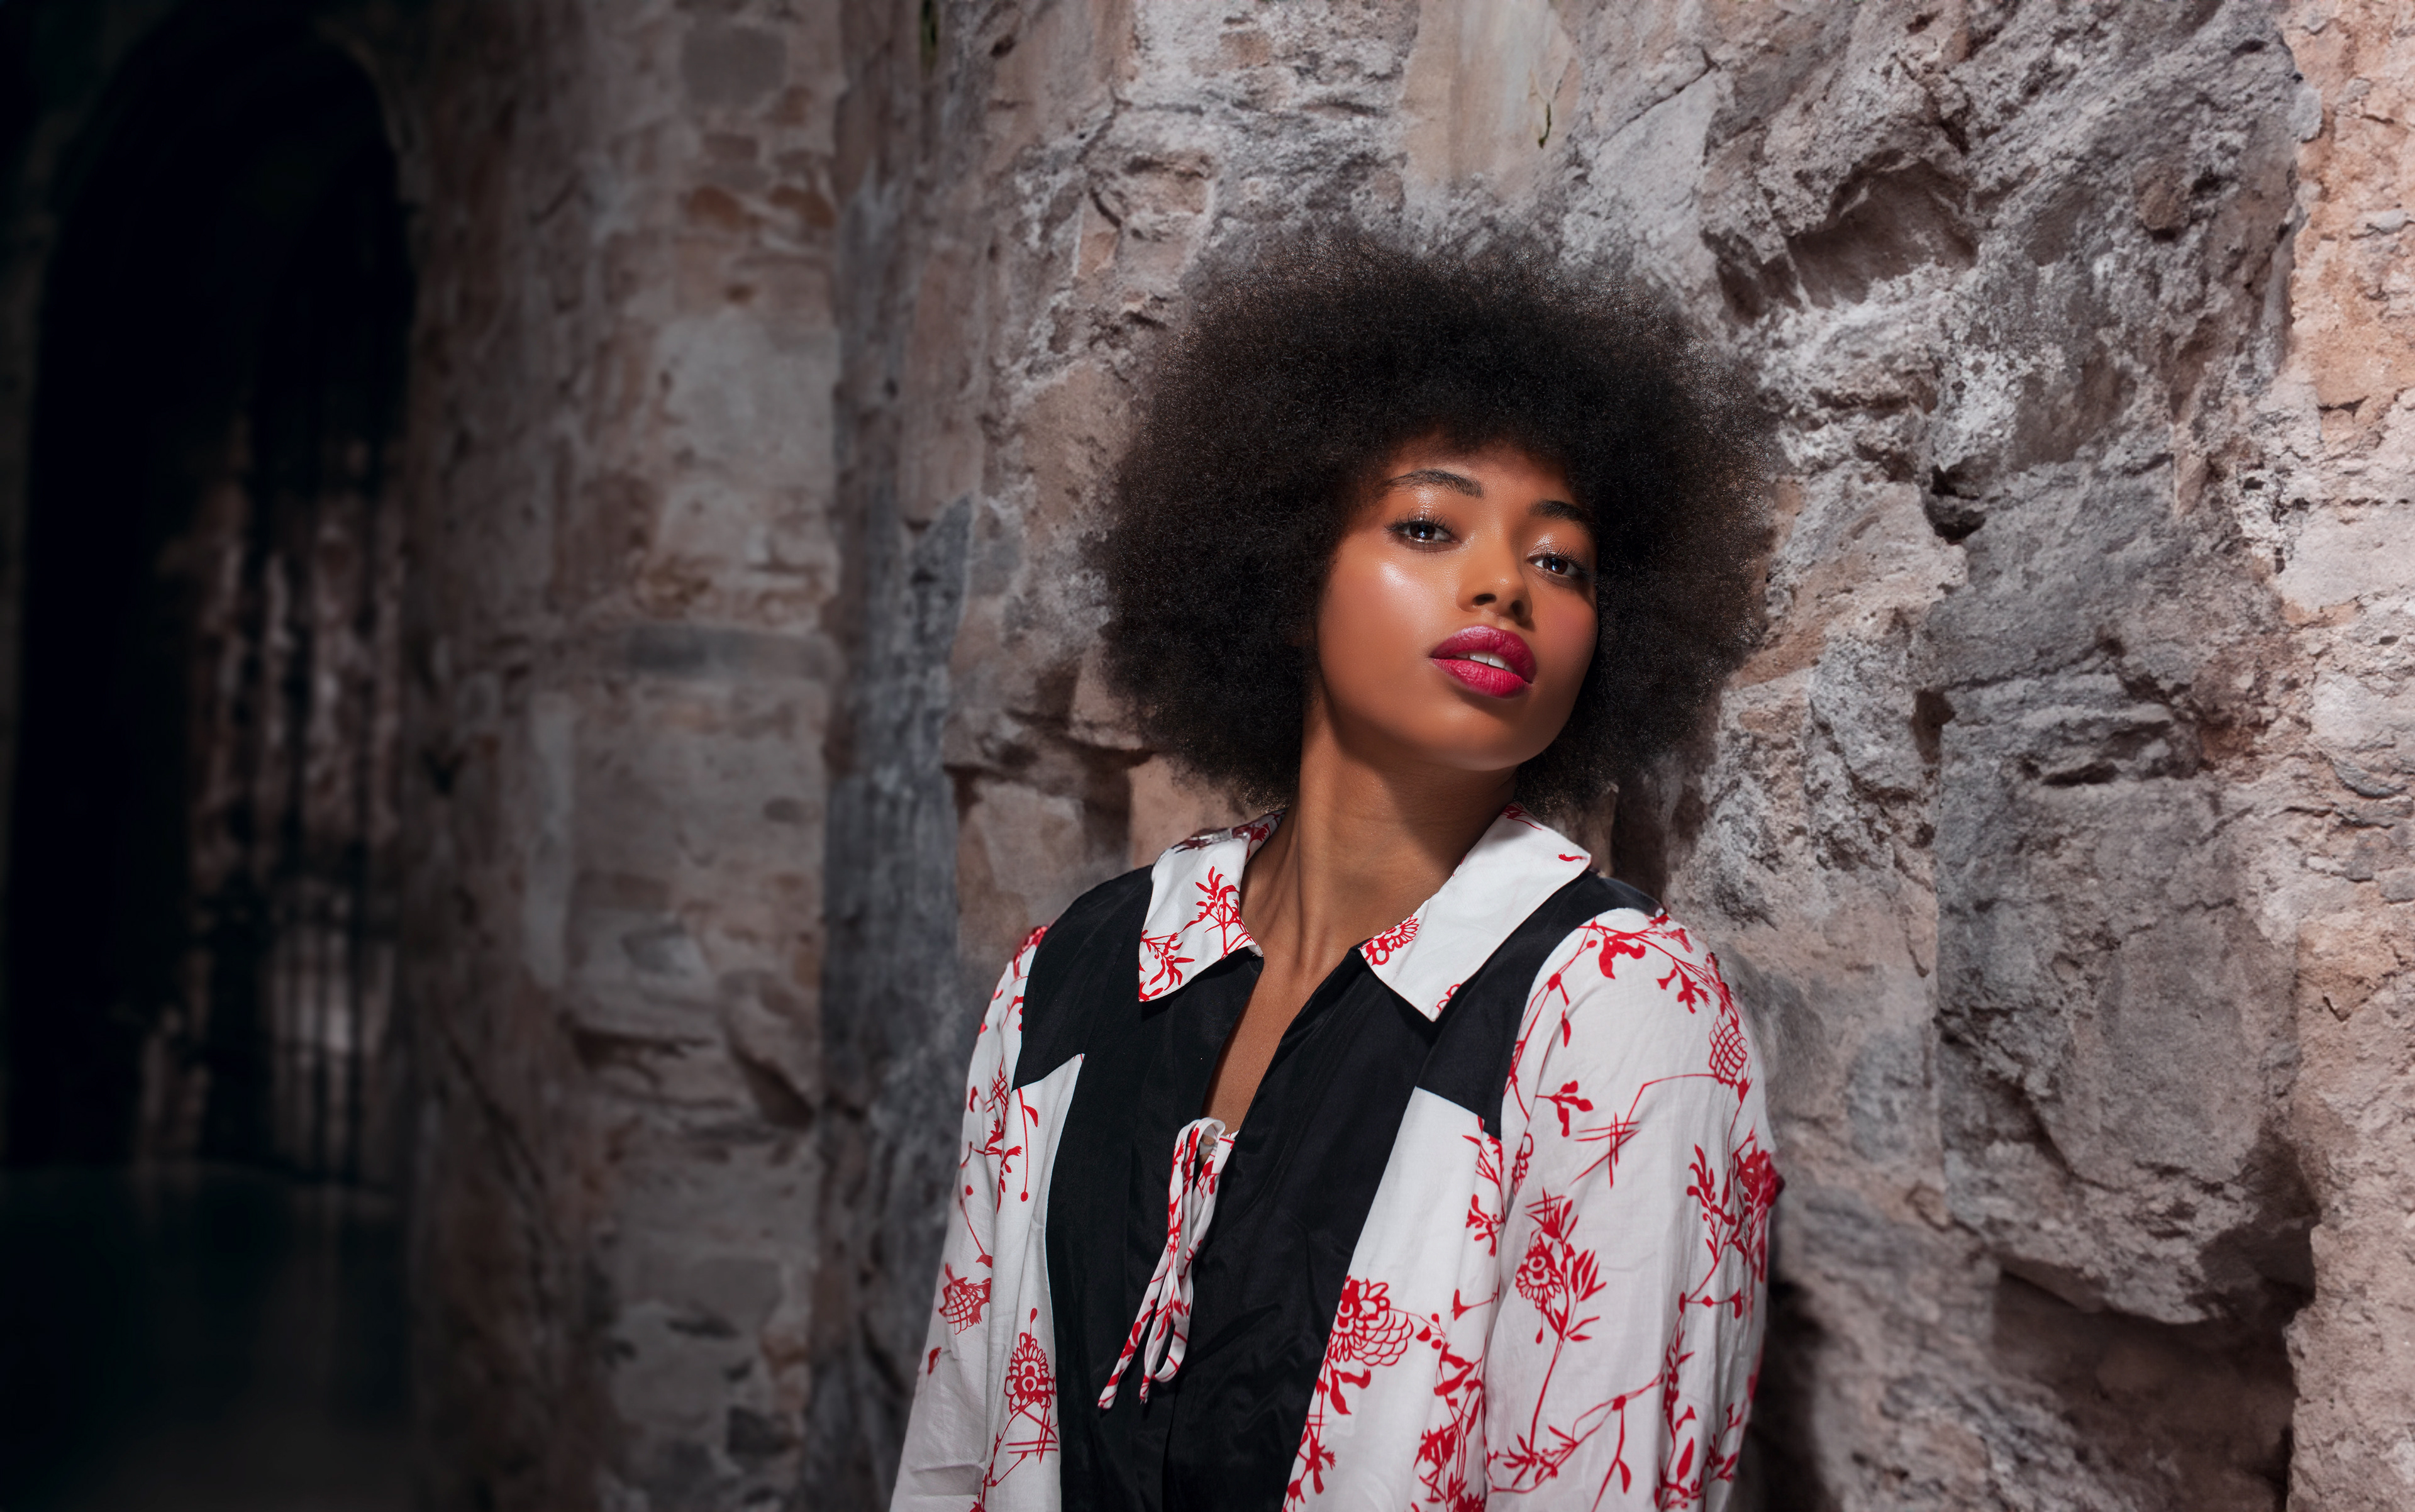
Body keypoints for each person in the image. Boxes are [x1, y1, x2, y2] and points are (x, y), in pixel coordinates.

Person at [892, 228, 1777, 1511]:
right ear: (1283, 568)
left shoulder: (1615, 1010)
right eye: (1428, 525)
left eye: (1560, 560)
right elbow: (959, 1443)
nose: (1504, 586)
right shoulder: (1070, 978)